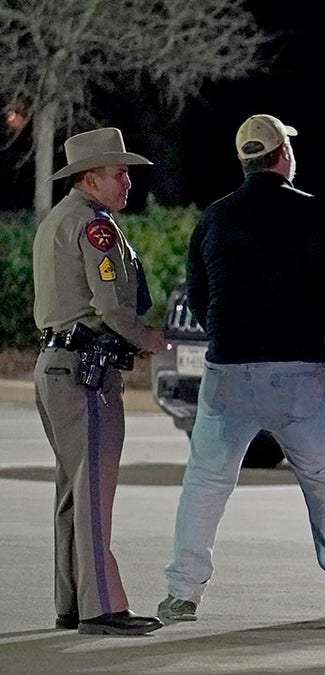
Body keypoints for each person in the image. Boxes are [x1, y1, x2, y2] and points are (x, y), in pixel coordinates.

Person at [159, 114, 325, 629]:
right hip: (296, 370)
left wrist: (230, 337)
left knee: (206, 483)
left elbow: (202, 295)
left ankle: (182, 595)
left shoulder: (213, 217)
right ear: (283, 157)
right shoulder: (309, 211)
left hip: (228, 371)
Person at [32, 127, 165, 636]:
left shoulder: (57, 221)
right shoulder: (95, 228)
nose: (127, 181)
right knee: (92, 493)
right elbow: (110, 305)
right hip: (85, 371)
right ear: (91, 177)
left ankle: (73, 601)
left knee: (73, 491)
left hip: (60, 366)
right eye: (118, 172)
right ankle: (102, 607)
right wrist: (148, 338)